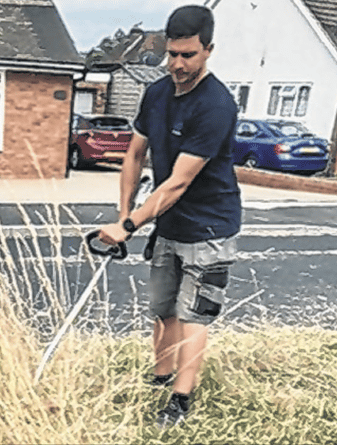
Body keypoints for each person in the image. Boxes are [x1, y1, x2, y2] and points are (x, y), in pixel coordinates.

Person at [98, 5, 241, 429]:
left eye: (188, 56)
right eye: (172, 54)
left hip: (209, 227)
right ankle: (162, 377)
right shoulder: (156, 93)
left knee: (193, 315)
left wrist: (128, 226)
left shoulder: (217, 106)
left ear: (208, 51)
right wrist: (124, 214)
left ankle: (180, 400)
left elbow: (177, 183)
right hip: (168, 223)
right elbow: (134, 155)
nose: (178, 64)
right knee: (163, 309)